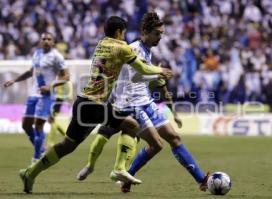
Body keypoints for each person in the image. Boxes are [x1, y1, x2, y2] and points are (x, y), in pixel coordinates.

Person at [18, 16, 173, 194]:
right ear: (118, 32)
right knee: (132, 125)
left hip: (82, 102)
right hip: (95, 104)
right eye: (123, 33)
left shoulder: (100, 44)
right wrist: (161, 70)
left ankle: (30, 172)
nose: (124, 36)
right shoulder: (122, 48)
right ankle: (120, 168)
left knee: (67, 145)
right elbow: (143, 68)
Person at [77, 12, 209, 193]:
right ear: (145, 32)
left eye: (162, 33)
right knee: (155, 145)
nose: (160, 37)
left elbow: (146, 78)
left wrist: (163, 91)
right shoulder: (135, 49)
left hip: (146, 101)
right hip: (131, 103)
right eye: (157, 33)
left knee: (174, 138)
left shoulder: (147, 50)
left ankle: (201, 180)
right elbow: (135, 76)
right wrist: (158, 72)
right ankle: (122, 173)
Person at [3, 32, 69, 163]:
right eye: (43, 38)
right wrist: (14, 81)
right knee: (26, 125)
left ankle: (36, 158)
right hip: (33, 95)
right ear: (40, 41)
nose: (46, 41)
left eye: (49, 39)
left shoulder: (56, 57)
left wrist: (50, 86)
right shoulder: (37, 54)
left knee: (39, 126)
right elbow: (30, 72)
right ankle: (42, 150)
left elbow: (66, 77)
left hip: (45, 96)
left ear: (53, 42)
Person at [46, 81, 73, 147]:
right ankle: (67, 137)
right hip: (55, 102)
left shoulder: (63, 81)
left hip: (56, 103)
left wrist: (69, 100)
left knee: (53, 122)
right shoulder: (60, 81)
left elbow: (68, 92)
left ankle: (50, 141)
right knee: (54, 122)